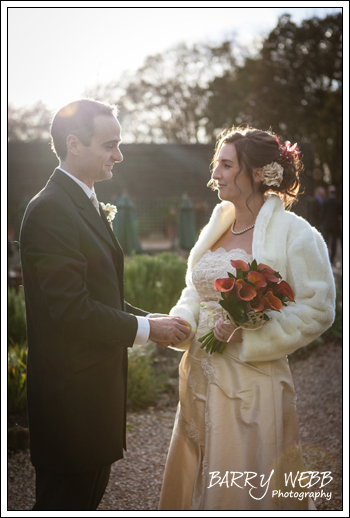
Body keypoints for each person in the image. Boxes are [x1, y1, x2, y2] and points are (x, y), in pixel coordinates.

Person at [19, 99, 190, 511]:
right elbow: (72, 311)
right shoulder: (51, 210)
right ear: (74, 144)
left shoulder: (82, 201)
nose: (120, 154)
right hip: (71, 404)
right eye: (110, 145)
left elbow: (98, 294)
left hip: (92, 399)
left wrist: (146, 317)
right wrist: (149, 332)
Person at [158, 127, 335, 511]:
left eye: (226, 165)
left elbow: (320, 308)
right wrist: (182, 319)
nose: (215, 174)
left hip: (251, 383)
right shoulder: (217, 224)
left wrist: (250, 333)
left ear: (256, 172)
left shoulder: (296, 234)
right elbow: (196, 289)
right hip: (198, 377)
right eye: (215, 165)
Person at [321, 185, 342, 265]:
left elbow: (322, 213)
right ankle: (332, 258)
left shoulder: (325, 202)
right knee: (333, 242)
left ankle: (325, 257)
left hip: (326, 224)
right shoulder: (338, 202)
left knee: (326, 241)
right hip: (335, 225)